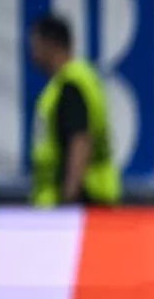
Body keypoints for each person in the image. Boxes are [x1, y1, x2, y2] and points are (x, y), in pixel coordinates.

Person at [28, 14, 122, 209]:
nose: (33, 53)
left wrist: (69, 198)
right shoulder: (82, 78)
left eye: (35, 45)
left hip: (83, 199)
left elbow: (80, 140)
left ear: (50, 44)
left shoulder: (70, 86)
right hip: (90, 198)